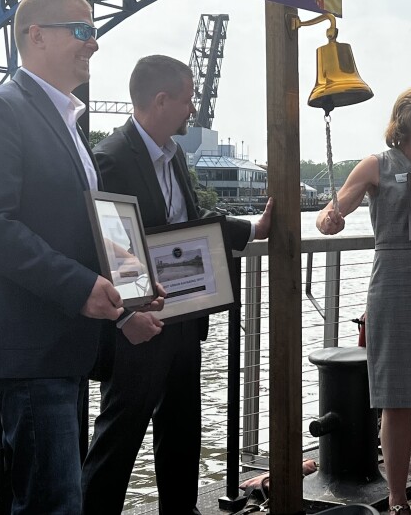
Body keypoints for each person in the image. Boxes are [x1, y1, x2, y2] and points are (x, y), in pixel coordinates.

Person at [0, 0, 159, 514]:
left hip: (59, 344)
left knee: (51, 498)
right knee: (52, 503)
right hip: (26, 348)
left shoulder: (64, 123)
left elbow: (78, 232)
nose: (94, 43)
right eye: (82, 30)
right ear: (36, 36)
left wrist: (124, 305)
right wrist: (82, 287)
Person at [81, 55, 272, 514]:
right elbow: (105, 245)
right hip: (138, 323)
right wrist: (126, 316)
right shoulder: (110, 158)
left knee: (183, 431)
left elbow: (186, 224)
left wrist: (253, 229)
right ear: (161, 100)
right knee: (119, 437)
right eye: (188, 100)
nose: (193, 109)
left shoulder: (174, 154)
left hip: (182, 319)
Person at [316, 86, 411, 515]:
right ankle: (398, 499)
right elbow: (334, 209)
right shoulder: (376, 165)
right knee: (396, 399)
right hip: (393, 287)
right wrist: (329, 219)